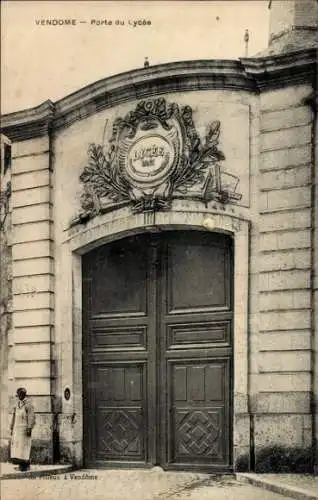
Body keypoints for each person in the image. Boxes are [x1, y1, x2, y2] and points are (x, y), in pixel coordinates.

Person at [10, 387, 36, 472]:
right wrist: (11, 427)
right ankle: (21, 465)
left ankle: (26, 466)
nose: (20, 396)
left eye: (21, 394)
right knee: (18, 448)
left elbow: (31, 417)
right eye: (18, 394)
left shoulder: (28, 405)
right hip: (17, 429)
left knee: (24, 447)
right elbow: (13, 416)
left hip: (24, 429)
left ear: (25, 394)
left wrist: (29, 428)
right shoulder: (17, 404)